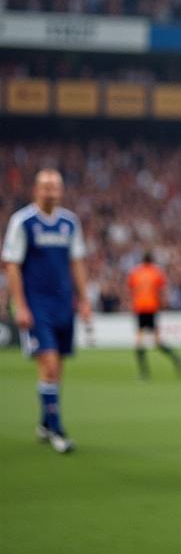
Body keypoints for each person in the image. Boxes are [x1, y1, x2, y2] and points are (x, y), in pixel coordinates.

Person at [2, 169, 92, 454]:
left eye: (55, 186)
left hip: (64, 303)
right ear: (36, 190)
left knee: (58, 368)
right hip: (38, 304)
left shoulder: (69, 222)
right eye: (46, 186)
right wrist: (20, 305)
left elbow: (76, 262)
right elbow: (12, 264)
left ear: (61, 191)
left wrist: (85, 299)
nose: (51, 191)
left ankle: (44, 421)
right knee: (49, 365)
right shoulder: (23, 222)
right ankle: (57, 430)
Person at [127, 251, 181, 379]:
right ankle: (177, 359)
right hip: (152, 309)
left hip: (140, 309)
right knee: (157, 342)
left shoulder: (135, 272)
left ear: (142, 260)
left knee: (139, 342)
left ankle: (144, 373)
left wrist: (132, 304)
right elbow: (162, 291)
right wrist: (163, 304)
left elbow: (131, 290)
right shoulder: (157, 273)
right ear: (152, 260)